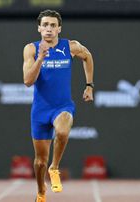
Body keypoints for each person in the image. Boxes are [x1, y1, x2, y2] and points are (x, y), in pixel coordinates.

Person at [23, 10, 94, 202]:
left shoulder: (70, 46)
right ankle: (40, 191)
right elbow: (28, 81)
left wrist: (89, 85)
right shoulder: (31, 49)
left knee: (62, 132)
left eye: (53, 25)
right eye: (45, 25)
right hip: (40, 110)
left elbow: (88, 56)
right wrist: (40, 58)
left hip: (62, 106)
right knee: (39, 162)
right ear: (39, 28)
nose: (49, 29)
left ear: (59, 28)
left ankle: (54, 168)